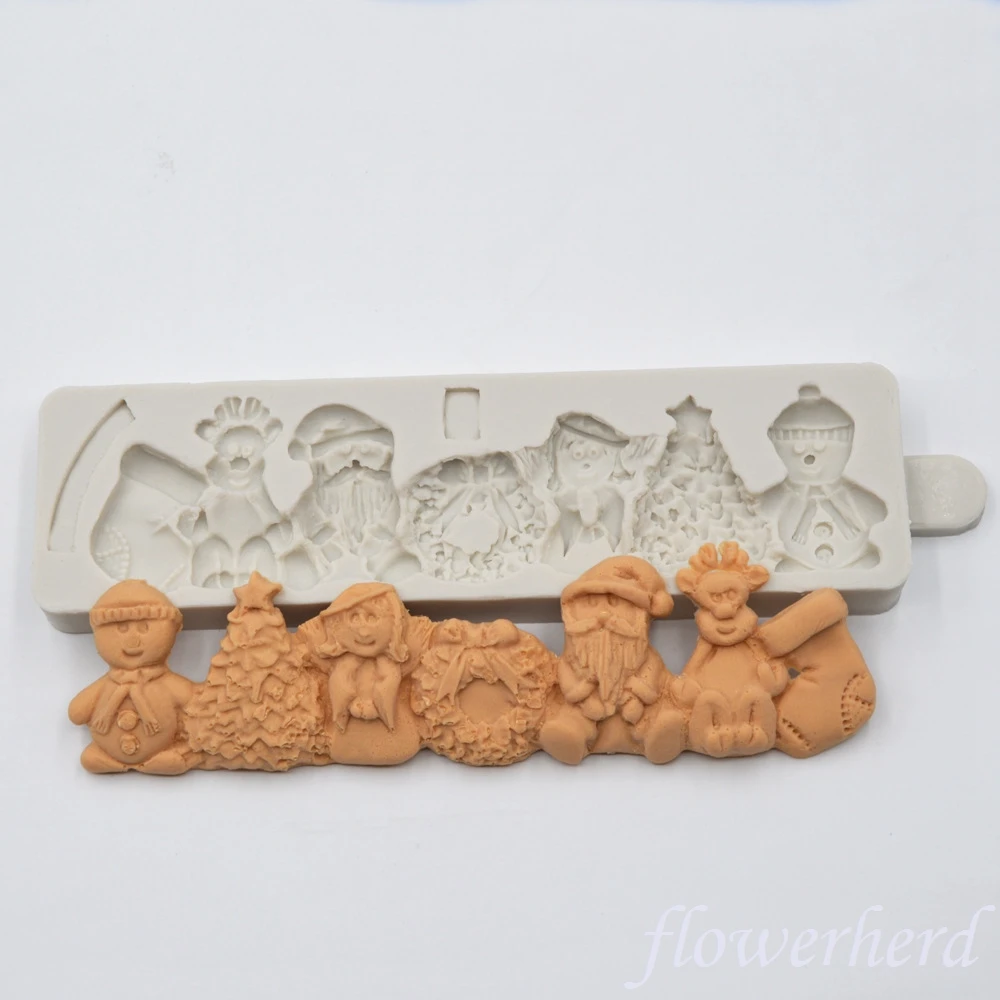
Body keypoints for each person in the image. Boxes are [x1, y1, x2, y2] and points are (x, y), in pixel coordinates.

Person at [69, 580, 193, 774]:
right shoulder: (106, 684)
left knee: (175, 760)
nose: (132, 640)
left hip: (160, 752)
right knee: (89, 760)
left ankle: (155, 761)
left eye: (144, 628)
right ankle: (116, 762)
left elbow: (194, 702)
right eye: (122, 629)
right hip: (106, 754)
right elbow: (77, 714)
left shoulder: (166, 682)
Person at [757, 385, 887, 570]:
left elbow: (878, 513)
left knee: (869, 563)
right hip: (798, 562)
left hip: (855, 559)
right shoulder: (786, 493)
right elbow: (763, 511)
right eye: (798, 448)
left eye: (820, 447)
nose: (809, 457)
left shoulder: (846, 492)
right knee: (786, 570)